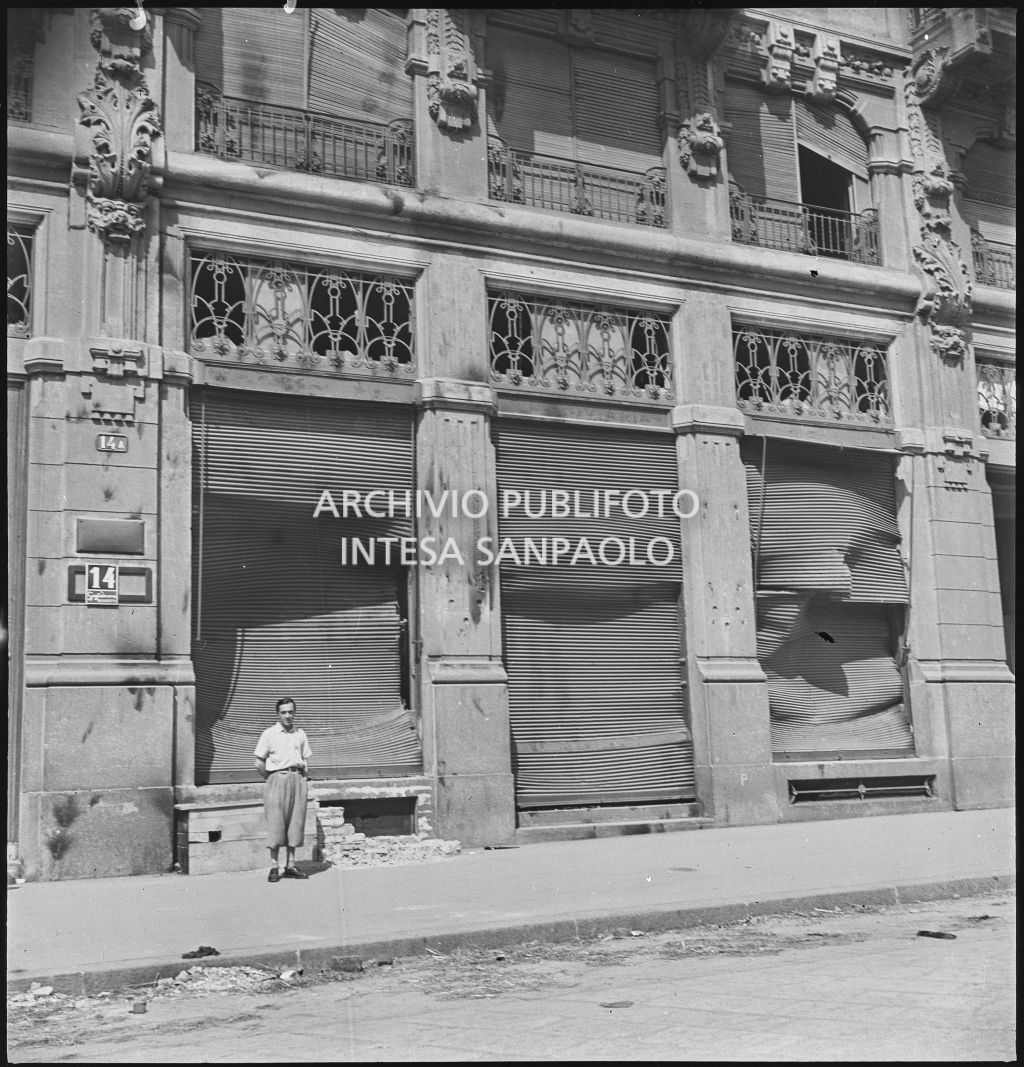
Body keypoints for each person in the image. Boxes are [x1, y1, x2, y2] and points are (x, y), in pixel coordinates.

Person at [254, 697, 312, 882]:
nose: (288, 715)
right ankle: (273, 866)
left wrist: (303, 778)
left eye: (291, 711)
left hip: (297, 779)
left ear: (295, 712)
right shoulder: (269, 734)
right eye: (283, 712)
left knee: (295, 822)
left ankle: (291, 865)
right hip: (276, 780)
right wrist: (272, 779)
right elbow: (258, 763)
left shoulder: (300, 734)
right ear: (278, 714)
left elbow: (305, 758)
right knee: (276, 823)